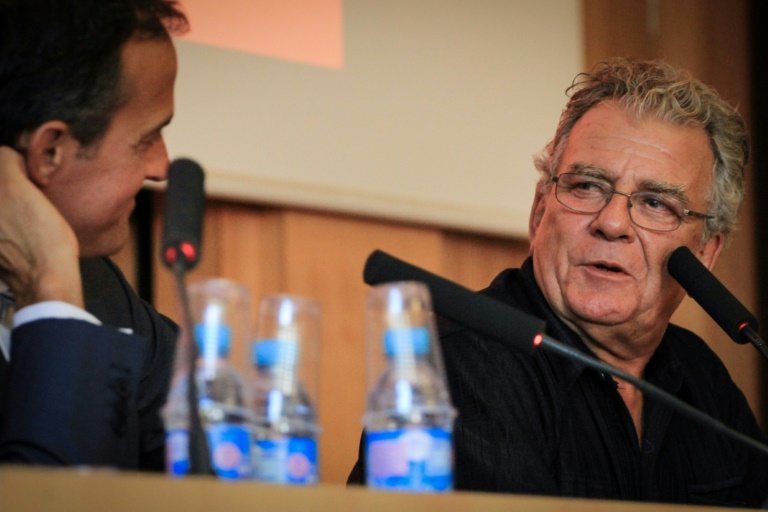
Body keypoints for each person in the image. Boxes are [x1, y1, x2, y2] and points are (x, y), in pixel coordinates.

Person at [349, 58, 768, 507]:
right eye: (587, 186)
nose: (611, 222)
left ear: (704, 254)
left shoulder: (702, 378)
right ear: (538, 211)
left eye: (655, 203)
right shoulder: (468, 358)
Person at [0, 0, 188, 470]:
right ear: (50, 150)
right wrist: (53, 292)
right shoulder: (68, 274)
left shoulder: (102, 289)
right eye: (147, 138)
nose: (162, 168)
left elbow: (214, 468)